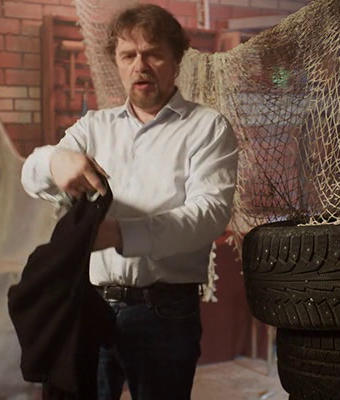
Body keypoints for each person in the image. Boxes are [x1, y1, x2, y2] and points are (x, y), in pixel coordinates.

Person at [20, 4, 238, 400]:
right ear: (117, 63)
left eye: (153, 53)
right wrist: (54, 160)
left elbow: (208, 215)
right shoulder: (94, 128)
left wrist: (119, 234)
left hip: (166, 313)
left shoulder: (206, 128)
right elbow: (29, 176)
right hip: (92, 305)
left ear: (176, 60)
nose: (140, 66)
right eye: (128, 55)